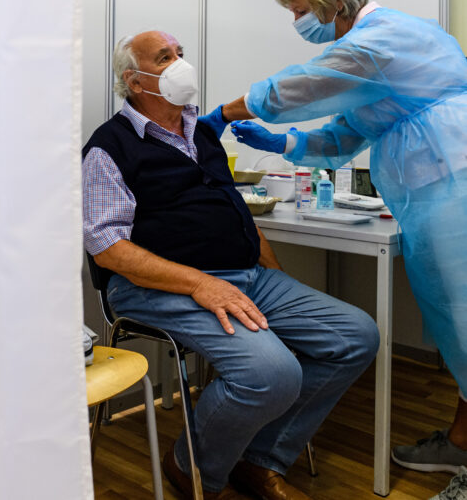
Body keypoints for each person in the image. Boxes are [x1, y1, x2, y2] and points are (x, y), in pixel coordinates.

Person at [201, 0, 467, 500]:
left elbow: (306, 83)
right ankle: (461, 445)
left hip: (455, 181)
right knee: (456, 328)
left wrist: (230, 111)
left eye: (299, 11)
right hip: (436, 192)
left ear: (333, 3)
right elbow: (346, 134)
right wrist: (286, 144)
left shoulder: (382, 40)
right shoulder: (376, 62)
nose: (299, 24)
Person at [82, 29, 379, 500]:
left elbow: (235, 212)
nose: (181, 63)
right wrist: (199, 283)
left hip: (246, 276)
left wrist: (275, 278)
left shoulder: (200, 134)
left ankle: (260, 458)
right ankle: (192, 468)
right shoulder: (109, 146)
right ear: (135, 81)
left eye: (181, 54)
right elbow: (108, 247)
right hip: (156, 286)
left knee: (355, 336)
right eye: (165, 58)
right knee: (272, 374)